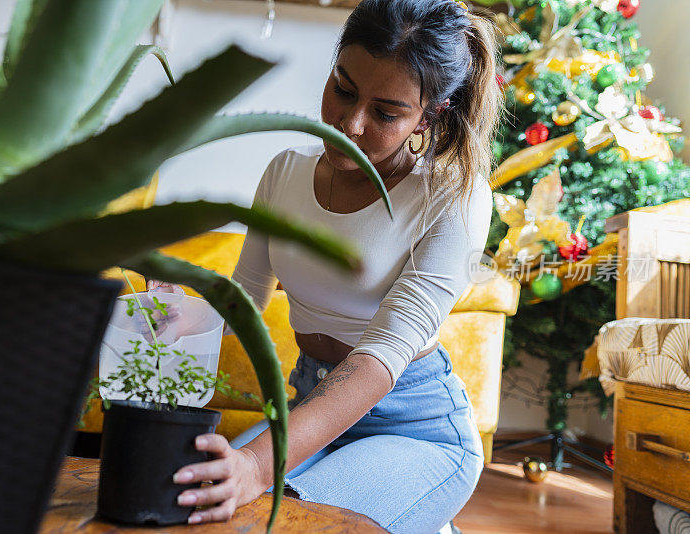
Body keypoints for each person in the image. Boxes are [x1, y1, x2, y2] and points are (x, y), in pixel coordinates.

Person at [158, 1, 503, 532]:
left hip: (415, 429)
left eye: (386, 113)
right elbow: (248, 290)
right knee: (201, 499)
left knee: (293, 521)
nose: (351, 123)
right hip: (313, 405)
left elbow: (383, 353)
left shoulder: (453, 196)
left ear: (429, 114)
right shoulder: (286, 172)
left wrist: (256, 464)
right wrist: (191, 315)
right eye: (343, 88)